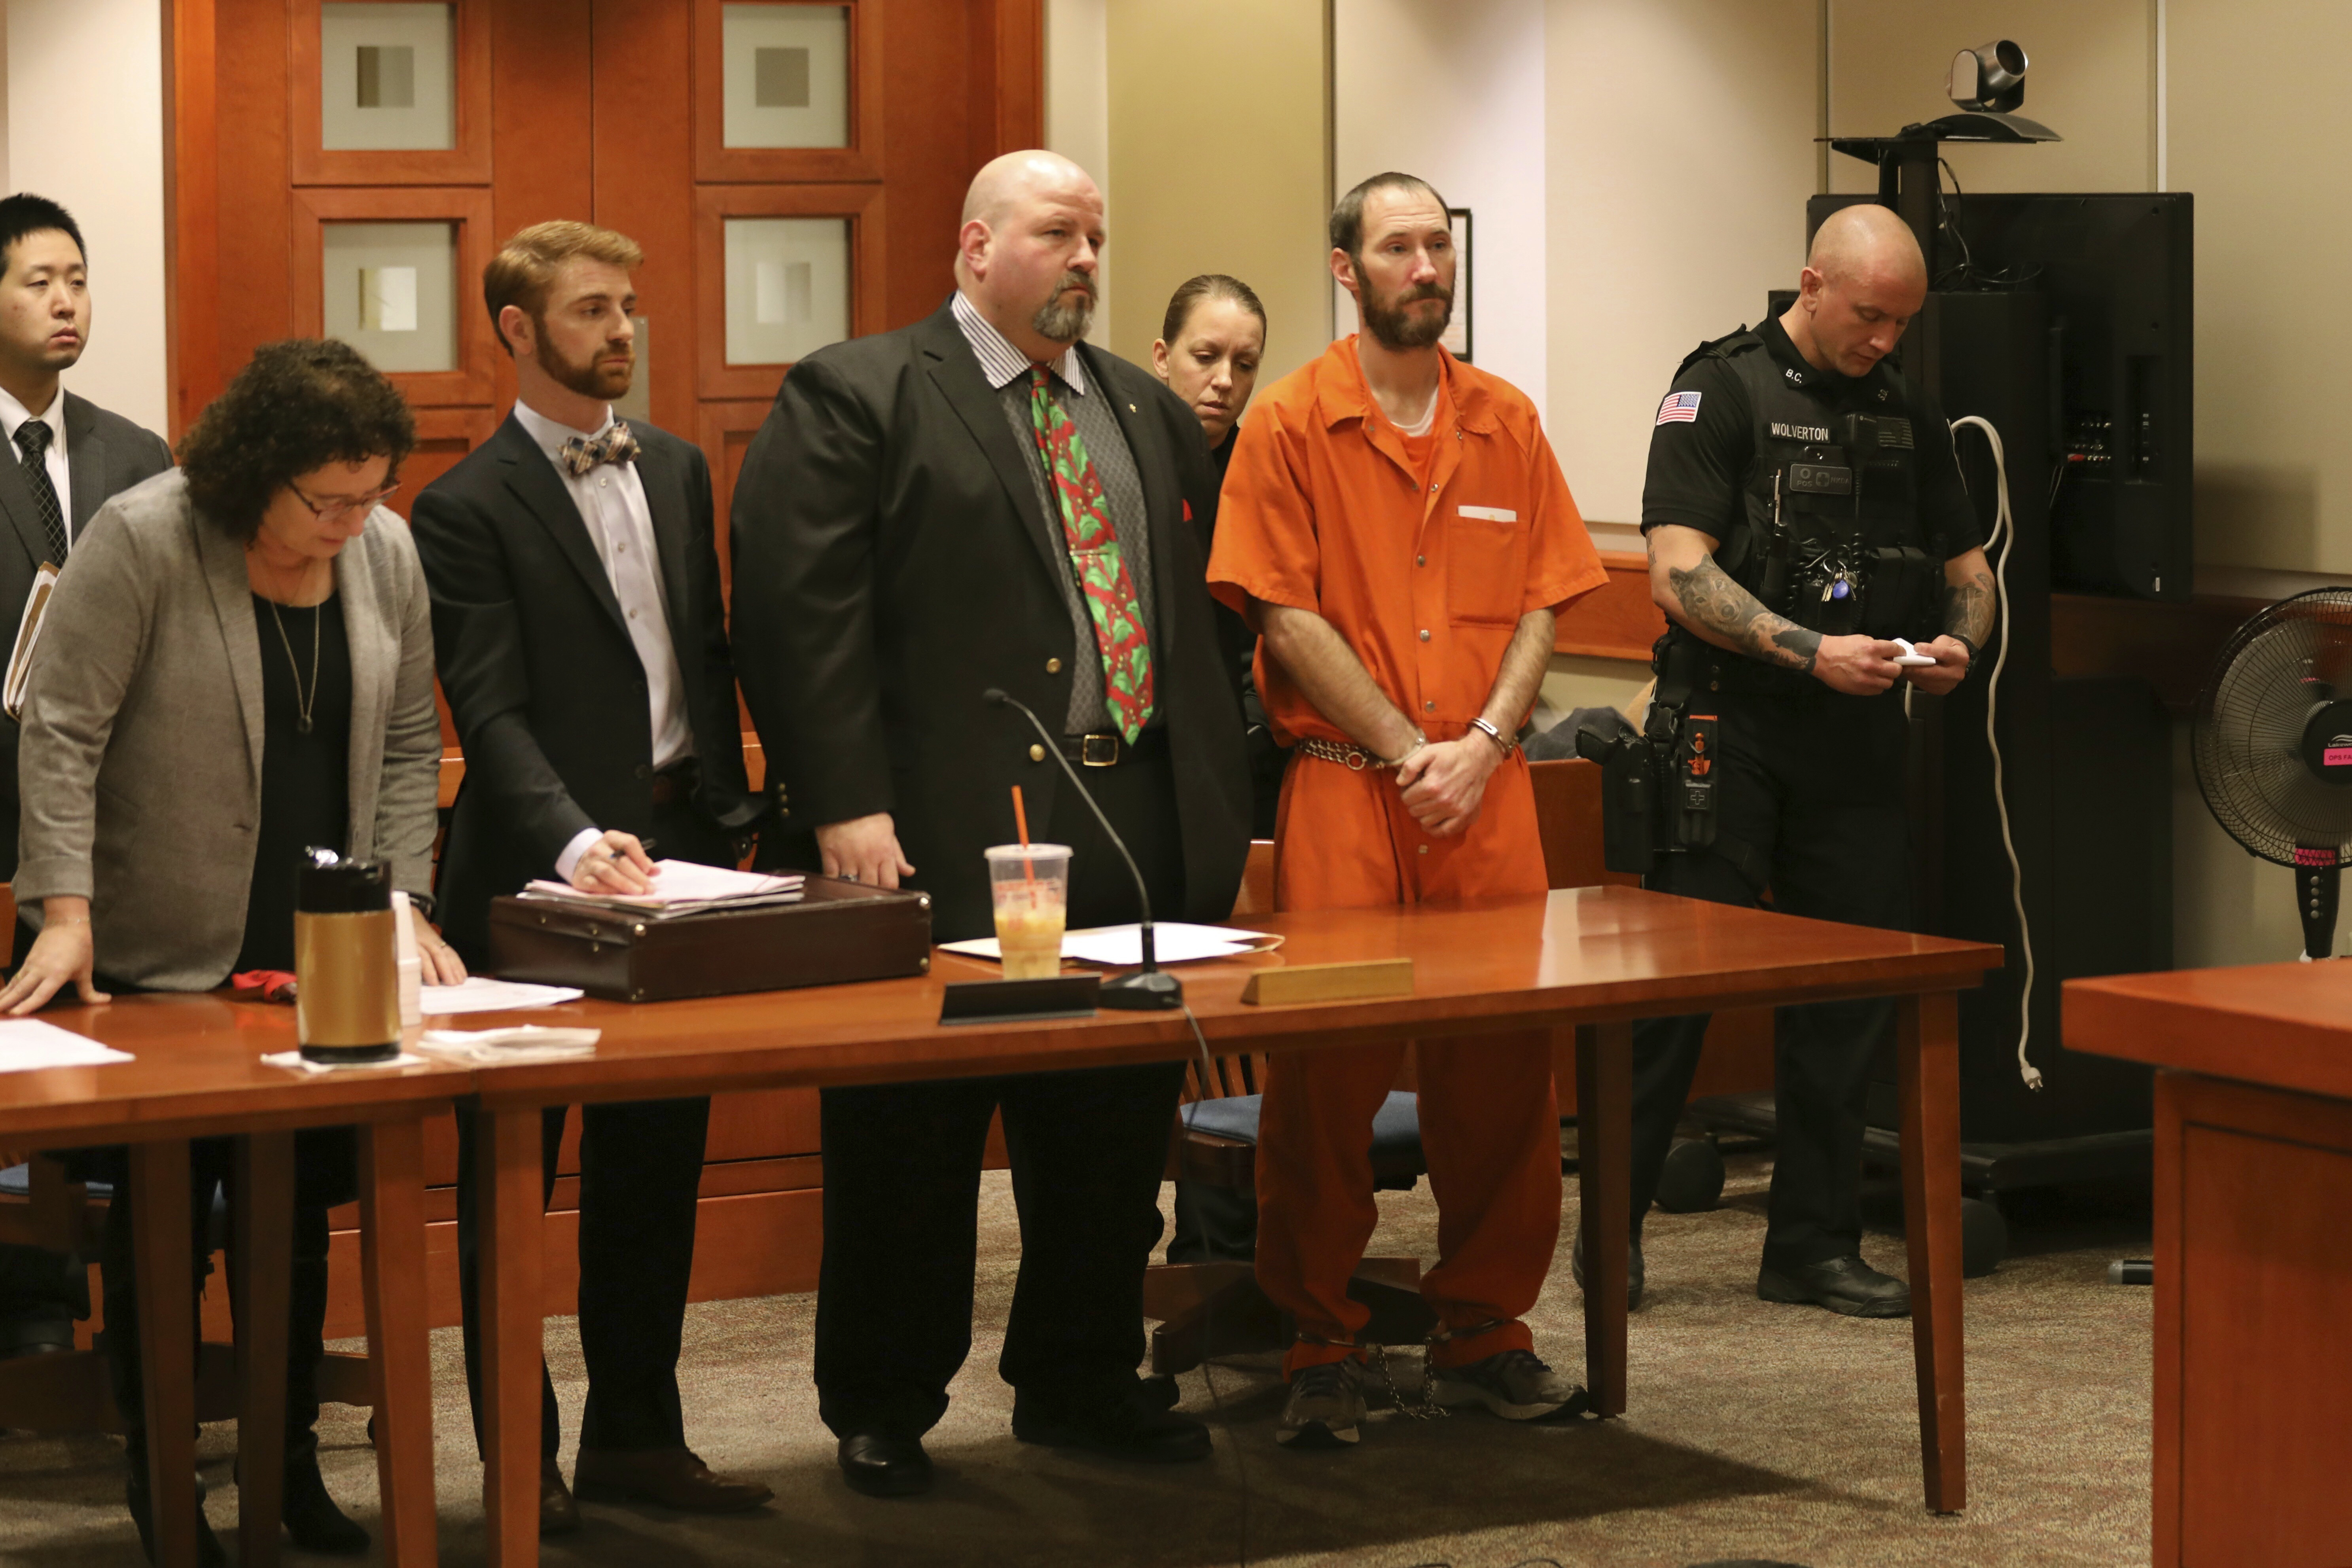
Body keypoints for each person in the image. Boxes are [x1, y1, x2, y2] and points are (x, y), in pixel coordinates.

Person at [729, 150, 1250, 1499]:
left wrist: (1212, 811)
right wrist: (841, 799)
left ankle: (1077, 1375)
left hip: (1125, 816)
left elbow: (1187, 626)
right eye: (1054, 233)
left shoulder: (1143, 407)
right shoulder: (862, 392)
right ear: (973, 248)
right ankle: (886, 1396)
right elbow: (801, 616)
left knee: (1106, 1129)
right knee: (915, 1136)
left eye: (1096, 237)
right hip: (939, 827)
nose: (1083, 257)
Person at [0, 337, 464, 1564]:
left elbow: (414, 741)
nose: (355, 522)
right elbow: (60, 731)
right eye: (329, 499)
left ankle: (286, 1456)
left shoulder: (387, 552)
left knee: (298, 1208)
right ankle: (165, 1484)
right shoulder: (146, 536)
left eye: (373, 494)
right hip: (154, 947)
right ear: (257, 472)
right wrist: (63, 906)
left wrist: (407, 900)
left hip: (320, 950)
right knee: (165, 1213)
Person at [1207, 171, 1607, 1451]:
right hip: (1343, 795)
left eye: (1436, 244)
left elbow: (1546, 592)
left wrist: (1484, 740)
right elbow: (1280, 607)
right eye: (1396, 245)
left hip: (1484, 796)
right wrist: (1401, 746)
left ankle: (1483, 1332)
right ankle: (1320, 1339)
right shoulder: (1286, 423)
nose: (1423, 263)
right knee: (1324, 1082)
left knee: (1502, 1081)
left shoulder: (1505, 419)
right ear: (1344, 267)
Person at [411, 220, 770, 1535]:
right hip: (529, 885)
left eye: (629, 306)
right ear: (516, 328)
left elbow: (702, 652)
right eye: (589, 311)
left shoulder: (676, 468)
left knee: (653, 1168)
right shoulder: (459, 505)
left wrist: (735, 816)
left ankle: (638, 1433)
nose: (621, 331)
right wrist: (572, 838)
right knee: (518, 1183)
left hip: (676, 859)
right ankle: (524, 1462)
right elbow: (487, 710)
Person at [1615, 201, 1993, 1319]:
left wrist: (1958, 644)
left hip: (1858, 734)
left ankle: (1811, 1244)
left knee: (1848, 996)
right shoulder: (1719, 387)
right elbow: (1676, 571)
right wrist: (1806, 649)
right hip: (1728, 729)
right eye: (1869, 316)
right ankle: (1611, 1229)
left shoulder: (1903, 408)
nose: (1883, 340)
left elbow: (1970, 562)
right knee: (1675, 992)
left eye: (1902, 325)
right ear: (1811, 285)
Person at [0, 194, 176, 1364]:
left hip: (99, 825)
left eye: (77, 278)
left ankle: (106, 1323)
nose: (66, 301)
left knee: (101, 1085)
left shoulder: (136, 454)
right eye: (36, 282)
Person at [1151, 273, 1275, 1268]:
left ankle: (1239, 1239)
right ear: (1161, 358)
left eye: (1243, 364)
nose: (1224, 380)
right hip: (1156, 771)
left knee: (1251, 1001)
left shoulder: (1265, 470)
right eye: (1206, 357)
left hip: (1258, 759)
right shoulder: (1132, 459)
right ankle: (1199, 1244)